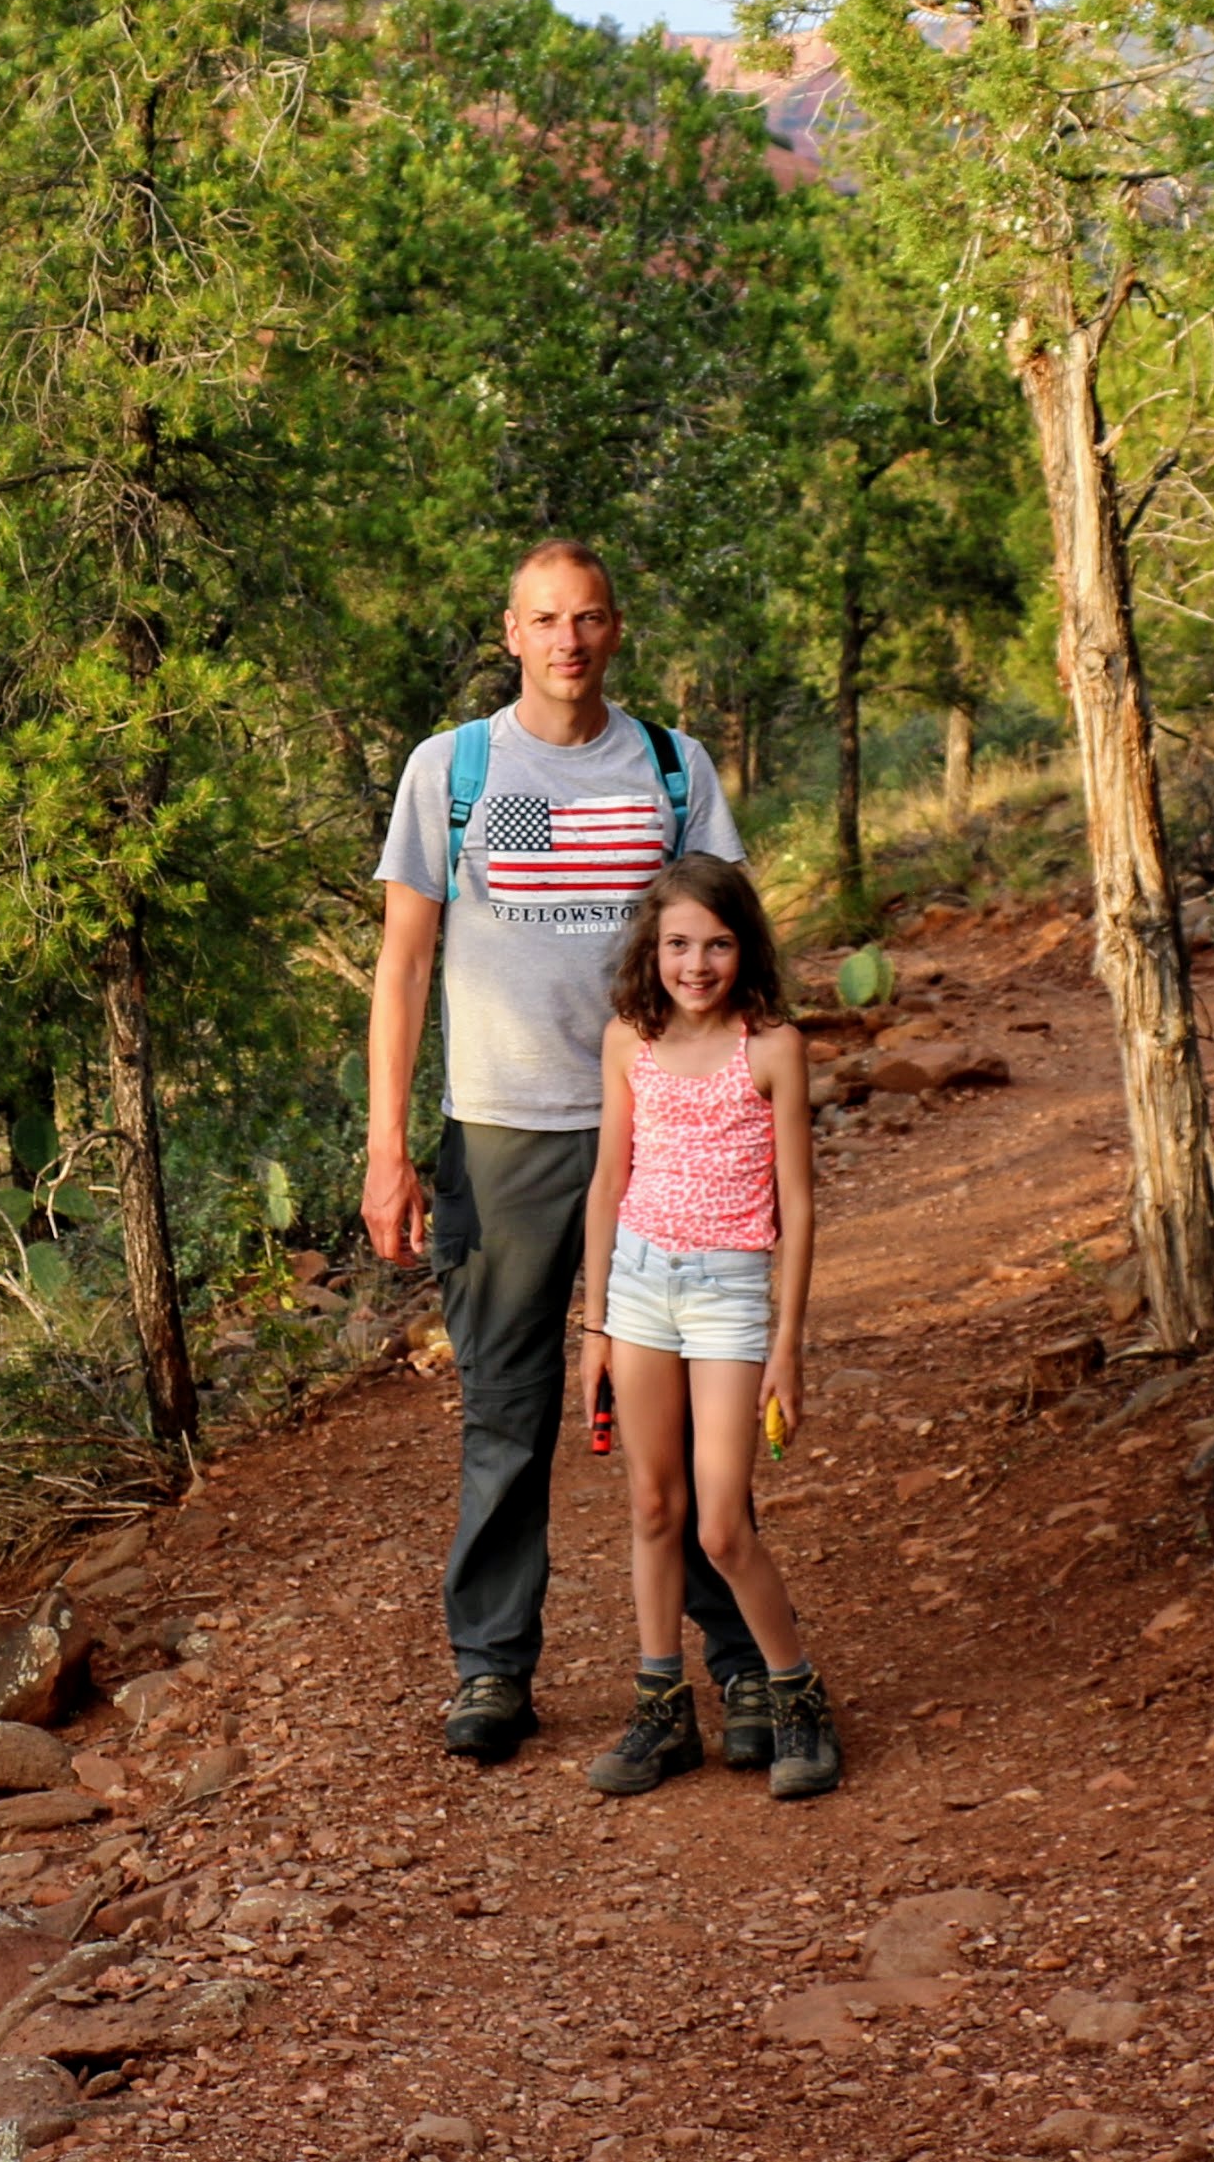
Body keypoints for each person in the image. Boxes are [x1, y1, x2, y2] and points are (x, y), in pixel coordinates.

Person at [364, 538, 770, 1765]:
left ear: (614, 629)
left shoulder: (667, 766)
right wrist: (389, 1145)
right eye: (544, 619)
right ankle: (491, 1670)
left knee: (693, 1411)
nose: (567, 641)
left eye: (587, 618)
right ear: (510, 632)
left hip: (662, 1130)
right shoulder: (458, 771)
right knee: (504, 1408)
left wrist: (753, 1107)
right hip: (501, 1135)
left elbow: (732, 945)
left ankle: (741, 1668)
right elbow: (403, 964)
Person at [567, 855, 839, 1798]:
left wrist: (786, 1345)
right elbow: (608, 1183)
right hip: (638, 1286)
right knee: (652, 1505)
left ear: (744, 948)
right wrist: (594, 1325)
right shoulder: (627, 1042)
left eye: (717, 943)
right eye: (679, 943)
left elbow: (798, 1206)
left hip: (728, 1295)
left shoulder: (772, 1047)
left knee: (721, 1525)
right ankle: (661, 1710)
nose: (696, 963)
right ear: (654, 948)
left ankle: (794, 1693)